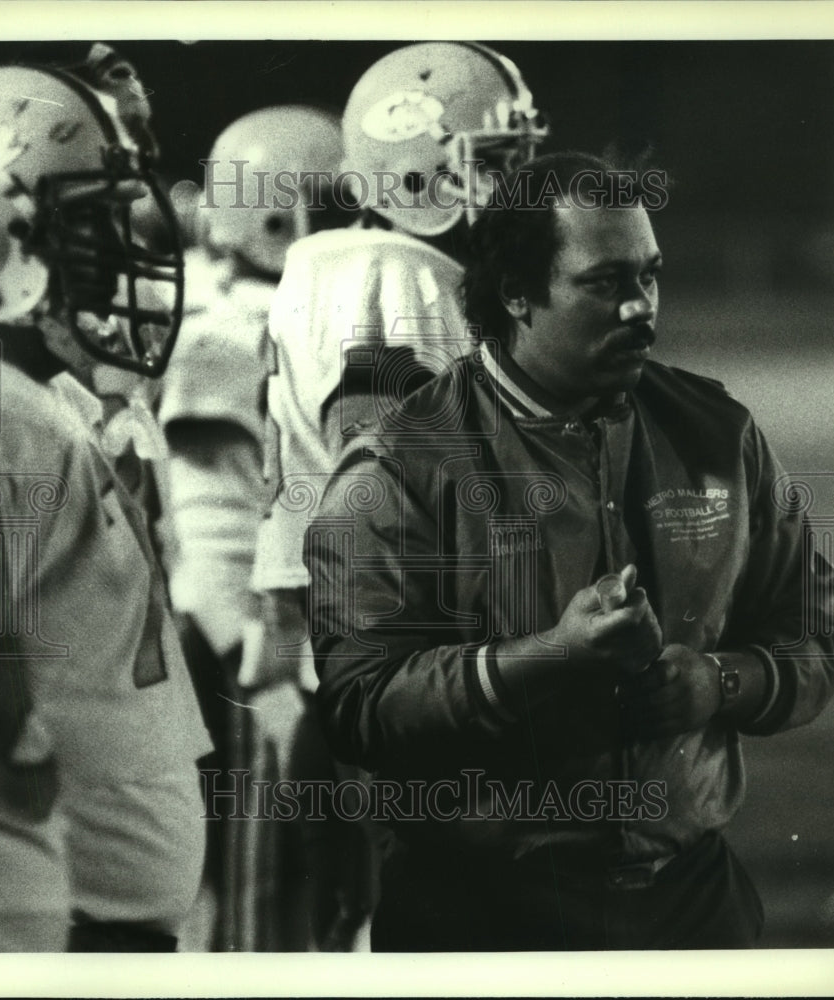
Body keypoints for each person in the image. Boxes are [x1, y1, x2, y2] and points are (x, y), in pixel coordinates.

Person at [305, 151, 834, 951]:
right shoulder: (402, 463)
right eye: (604, 284)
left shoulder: (714, 432)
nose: (639, 309)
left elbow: (815, 637)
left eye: (649, 277)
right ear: (515, 294)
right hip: (481, 916)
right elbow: (359, 707)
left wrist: (720, 682)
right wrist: (551, 656)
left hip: (690, 901)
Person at [253, 42, 548, 948]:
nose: (520, 190)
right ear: (420, 171)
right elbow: (373, 499)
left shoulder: (326, 265)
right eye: (496, 166)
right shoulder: (399, 274)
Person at [0, 54, 212, 952]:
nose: (121, 257)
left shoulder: (58, 410)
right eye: (91, 228)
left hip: (101, 908)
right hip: (48, 917)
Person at [158, 104, 350, 950]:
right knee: (258, 911)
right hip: (246, 664)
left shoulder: (222, 296)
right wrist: (270, 686)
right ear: (289, 211)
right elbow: (209, 544)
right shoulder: (233, 330)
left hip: (260, 652)